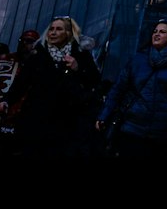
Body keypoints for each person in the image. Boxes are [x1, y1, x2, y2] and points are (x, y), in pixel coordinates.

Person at [97, 18, 167, 156]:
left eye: (162, 32)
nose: (157, 34)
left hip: (163, 131)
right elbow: (118, 88)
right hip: (132, 127)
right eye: (155, 31)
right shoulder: (138, 59)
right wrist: (104, 114)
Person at [8, 15, 104, 157]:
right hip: (36, 120)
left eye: (59, 29)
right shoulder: (38, 54)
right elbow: (22, 82)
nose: (53, 32)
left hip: (66, 122)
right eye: (51, 29)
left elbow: (94, 81)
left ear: (68, 33)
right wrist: (6, 100)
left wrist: (78, 68)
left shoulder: (81, 54)